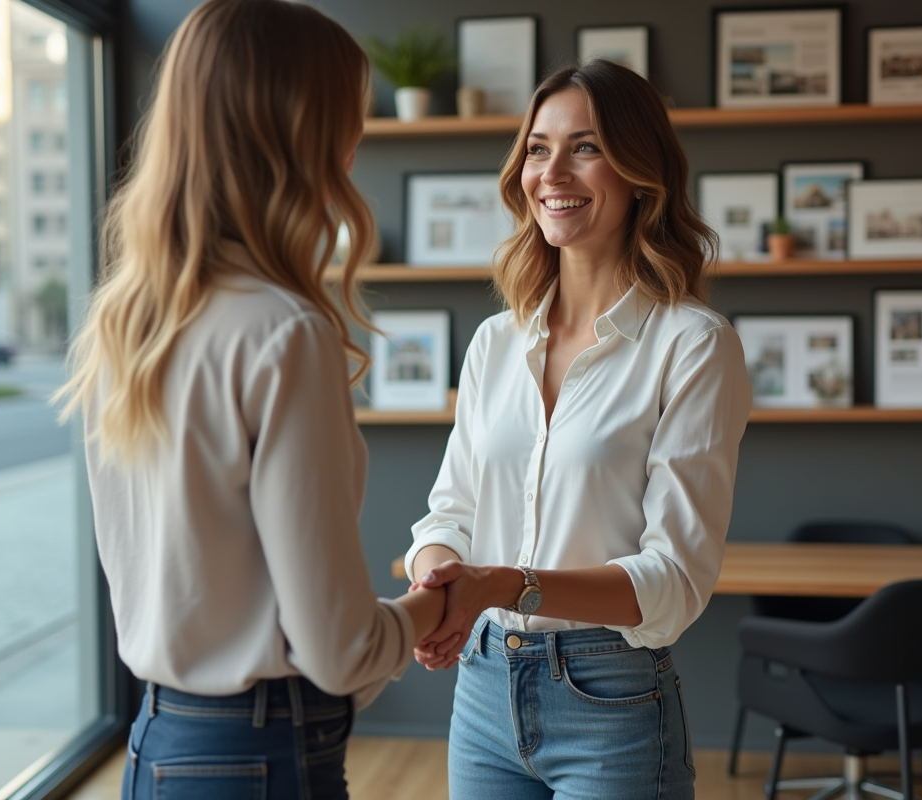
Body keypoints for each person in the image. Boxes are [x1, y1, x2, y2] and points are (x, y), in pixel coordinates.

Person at [54, 2, 445, 798]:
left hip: (159, 741)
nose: (356, 144)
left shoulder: (124, 324)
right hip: (262, 753)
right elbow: (338, 651)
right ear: (295, 131)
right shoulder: (283, 332)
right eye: (345, 119)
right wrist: (432, 610)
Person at [404, 59, 752, 800]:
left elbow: (674, 579)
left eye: (586, 147)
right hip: (482, 687)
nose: (552, 172)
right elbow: (449, 515)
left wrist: (504, 584)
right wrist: (438, 585)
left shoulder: (693, 345)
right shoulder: (496, 342)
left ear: (640, 174)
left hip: (611, 699)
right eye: (538, 149)